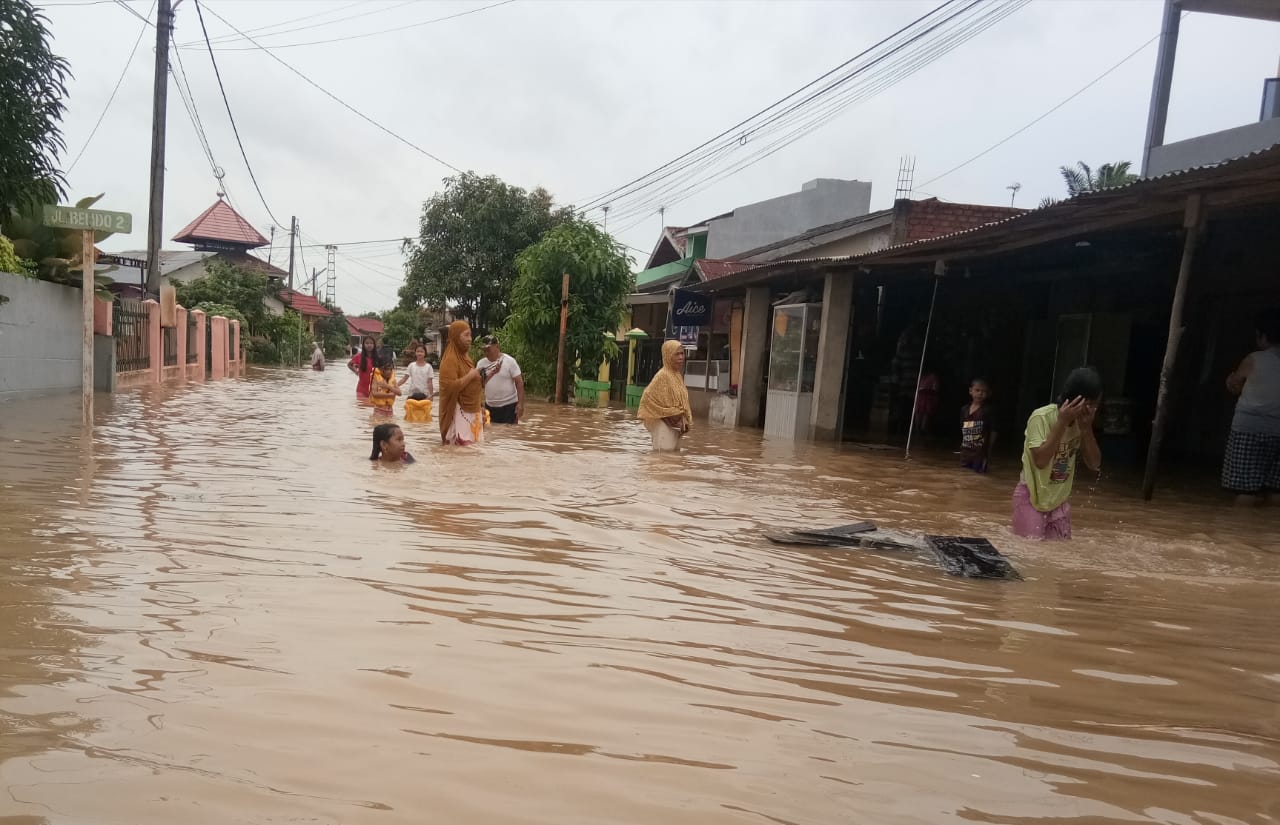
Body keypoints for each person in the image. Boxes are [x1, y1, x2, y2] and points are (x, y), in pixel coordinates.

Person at [1012, 367, 1103, 540]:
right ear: (1079, 401)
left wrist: (1086, 429)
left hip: (1059, 501)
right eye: (1092, 404)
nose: (1093, 410)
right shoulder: (1041, 417)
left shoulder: (1083, 423)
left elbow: (1094, 464)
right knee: (1029, 551)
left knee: (1058, 553)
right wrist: (1062, 423)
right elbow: (1041, 460)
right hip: (1031, 496)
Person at [1222, 308, 1280, 505]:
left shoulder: (1254, 359)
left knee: (1246, 490)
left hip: (1249, 429)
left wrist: (1230, 379)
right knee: (1276, 490)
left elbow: (1234, 386)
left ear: (1262, 336)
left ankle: (1240, 531)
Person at [637, 339, 693, 452]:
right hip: (663, 424)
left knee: (674, 460)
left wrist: (683, 417)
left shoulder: (676, 376)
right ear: (668, 355)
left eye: (682, 353)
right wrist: (667, 412)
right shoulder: (662, 376)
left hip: (676, 424)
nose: (681, 357)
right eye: (677, 354)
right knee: (663, 459)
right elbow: (646, 399)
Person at [438, 319, 484, 445]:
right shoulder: (450, 360)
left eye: (470, 335)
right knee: (459, 451)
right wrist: (470, 375)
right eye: (466, 335)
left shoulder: (466, 357)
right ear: (456, 337)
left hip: (472, 411)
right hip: (457, 412)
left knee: (473, 453)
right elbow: (449, 387)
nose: (470, 339)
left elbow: (474, 382)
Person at [477, 334, 525, 424]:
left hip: (509, 406)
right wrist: (480, 405)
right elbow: (477, 386)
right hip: (490, 406)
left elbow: (519, 383)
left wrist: (520, 404)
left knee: (509, 433)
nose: (486, 353)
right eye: (484, 350)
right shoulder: (480, 364)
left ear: (497, 347)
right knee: (490, 434)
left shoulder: (509, 361)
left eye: (488, 350)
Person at [960, 378, 998, 473]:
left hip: (980, 453)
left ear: (988, 394)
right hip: (965, 452)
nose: (980, 393)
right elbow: (962, 428)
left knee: (978, 476)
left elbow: (993, 431)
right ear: (970, 391)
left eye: (984, 391)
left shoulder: (988, 411)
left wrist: (989, 450)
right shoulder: (964, 409)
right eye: (977, 390)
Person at [347, 336, 378, 401]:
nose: (369, 345)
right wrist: (355, 371)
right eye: (367, 343)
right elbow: (349, 364)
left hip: (375, 390)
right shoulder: (358, 356)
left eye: (371, 343)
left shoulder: (378, 357)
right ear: (363, 345)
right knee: (361, 410)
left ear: (374, 345)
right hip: (361, 390)